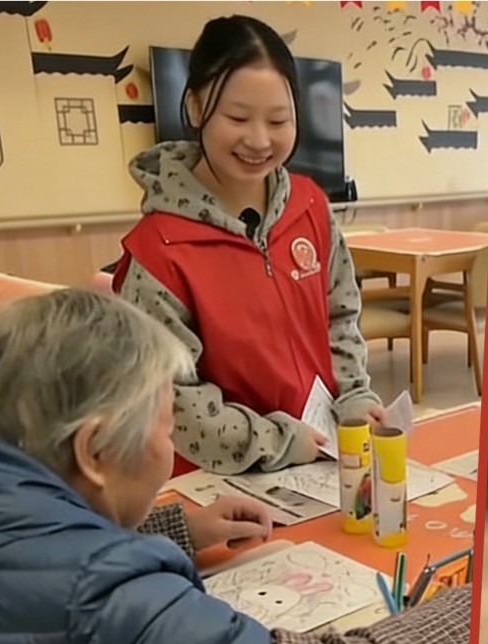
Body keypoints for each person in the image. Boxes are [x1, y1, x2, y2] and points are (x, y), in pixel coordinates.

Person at [0, 288, 470, 644]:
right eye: (166, 428)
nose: (169, 442)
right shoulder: (108, 604)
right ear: (95, 451)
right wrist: (477, 602)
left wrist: (176, 530)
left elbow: (32, 555)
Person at [112, 15, 384, 477]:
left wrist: (354, 394)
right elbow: (172, 399)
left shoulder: (309, 207)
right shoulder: (159, 250)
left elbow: (340, 314)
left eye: (278, 120)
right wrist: (275, 442)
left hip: (322, 463)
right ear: (196, 107)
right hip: (218, 485)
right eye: (238, 118)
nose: (259, 140)